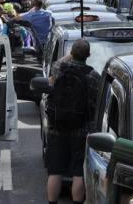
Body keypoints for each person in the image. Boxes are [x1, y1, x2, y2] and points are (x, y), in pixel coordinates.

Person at [46, 40, 100, 204]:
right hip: (81, 129)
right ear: (88, 55)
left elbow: (58, 63)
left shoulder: (59, 69)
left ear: (71, 53)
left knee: (55, 171)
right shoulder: (93, 76)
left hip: (57, 127)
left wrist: (71, 55)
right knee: (78, 172)